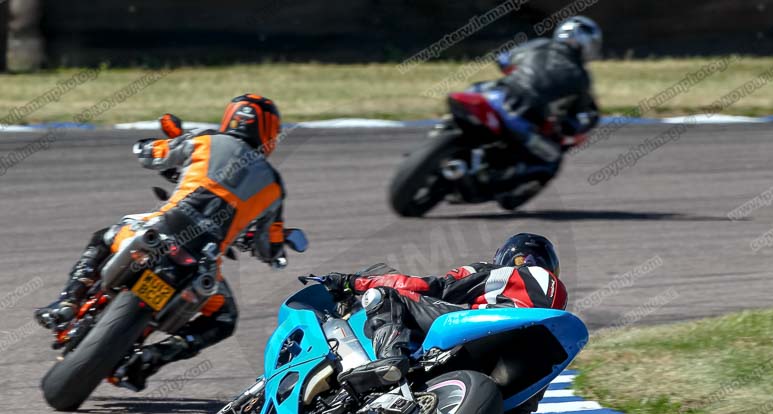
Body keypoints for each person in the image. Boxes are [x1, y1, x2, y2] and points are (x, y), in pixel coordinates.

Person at [35, 94, 292, 391]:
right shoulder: (273, 187)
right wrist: (273, 250)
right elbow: (270, 243)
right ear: (269, 133)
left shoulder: (205, 142)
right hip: (201, 262)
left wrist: (156, 146)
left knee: (104, 238)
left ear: (230, 118)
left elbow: (150, 153)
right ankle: (152, 357)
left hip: (159, 231)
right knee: (224, 318)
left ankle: (67, 301)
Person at [322, 233, 567, 371]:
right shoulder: (558, 299)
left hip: (489, 331)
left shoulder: (504, 273)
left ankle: (389, 364)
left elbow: (439, 288)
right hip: (517, 375)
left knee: (386, 296)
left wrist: (352, 283)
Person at [490, 16, 602, 209]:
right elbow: (581, 115)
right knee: (552, 157)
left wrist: (514, 71)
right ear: (586, 43)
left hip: (498, 96)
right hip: (524, 116)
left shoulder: (537, 44)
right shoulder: (580, 75)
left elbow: (502, 59)